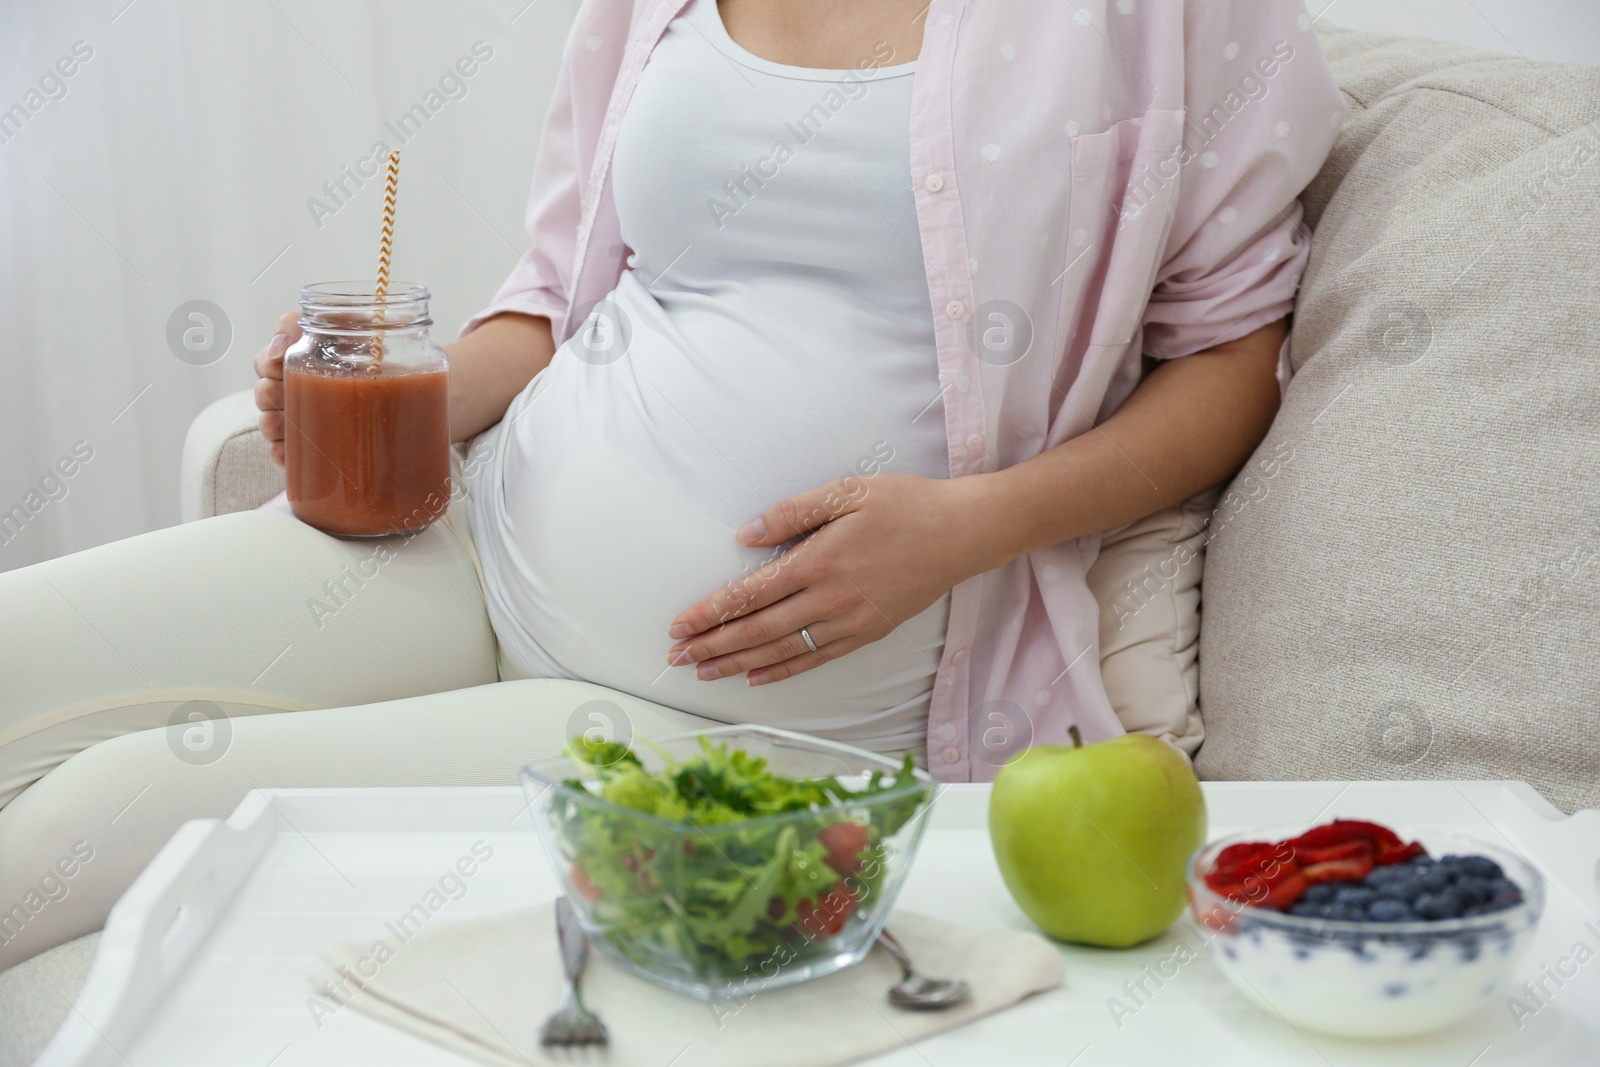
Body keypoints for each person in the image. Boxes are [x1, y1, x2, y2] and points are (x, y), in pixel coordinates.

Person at [0, 0, 1343, 967]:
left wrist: (966, 530)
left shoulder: (1163, 19)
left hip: (711, 720)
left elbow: (1231, 359)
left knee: (111, 803)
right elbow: (554, 298)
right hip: (482, 548)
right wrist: (409, 389)